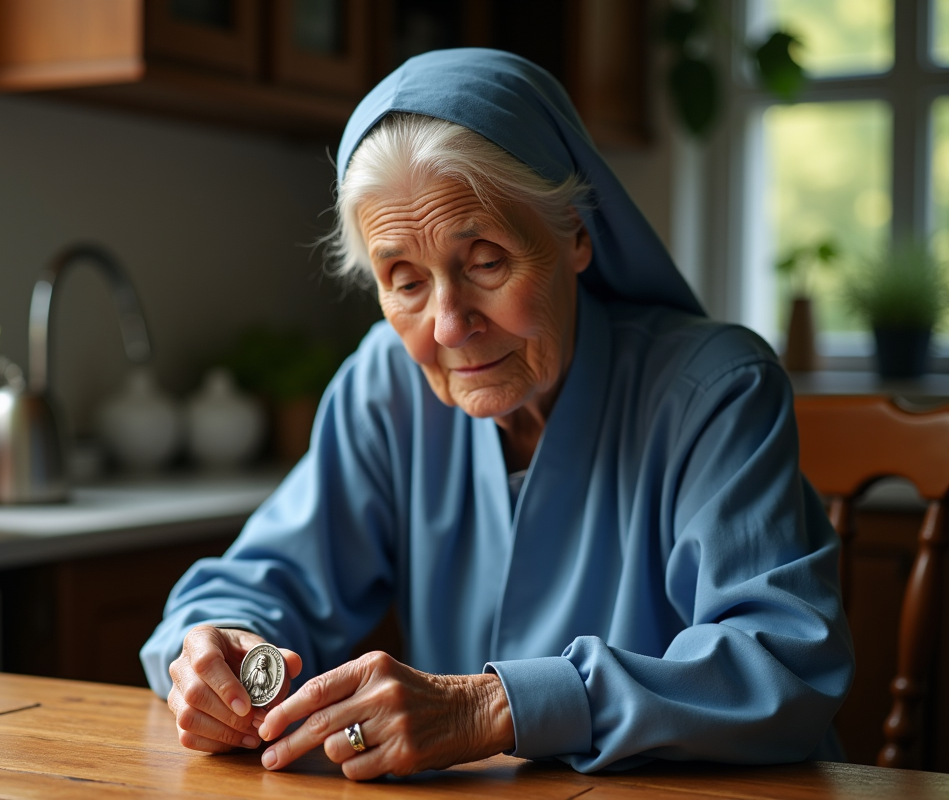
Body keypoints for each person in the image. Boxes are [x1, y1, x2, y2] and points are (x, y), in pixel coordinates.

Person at [142, 48, 854, 779]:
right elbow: (254, 584)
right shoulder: (385, 384)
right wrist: (221, 653)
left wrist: (490, 707)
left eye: (485, 262)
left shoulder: (717, 390)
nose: (449, 325)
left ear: (575, 235)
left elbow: (780, 666)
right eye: (405, 281)